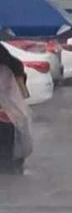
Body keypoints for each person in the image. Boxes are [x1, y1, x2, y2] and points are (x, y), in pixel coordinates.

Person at [0, 44, 33, 174]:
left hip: (7, 120)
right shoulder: (14, 68)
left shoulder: (5, 72)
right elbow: (24, 94)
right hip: (14, 119)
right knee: (12, 161)